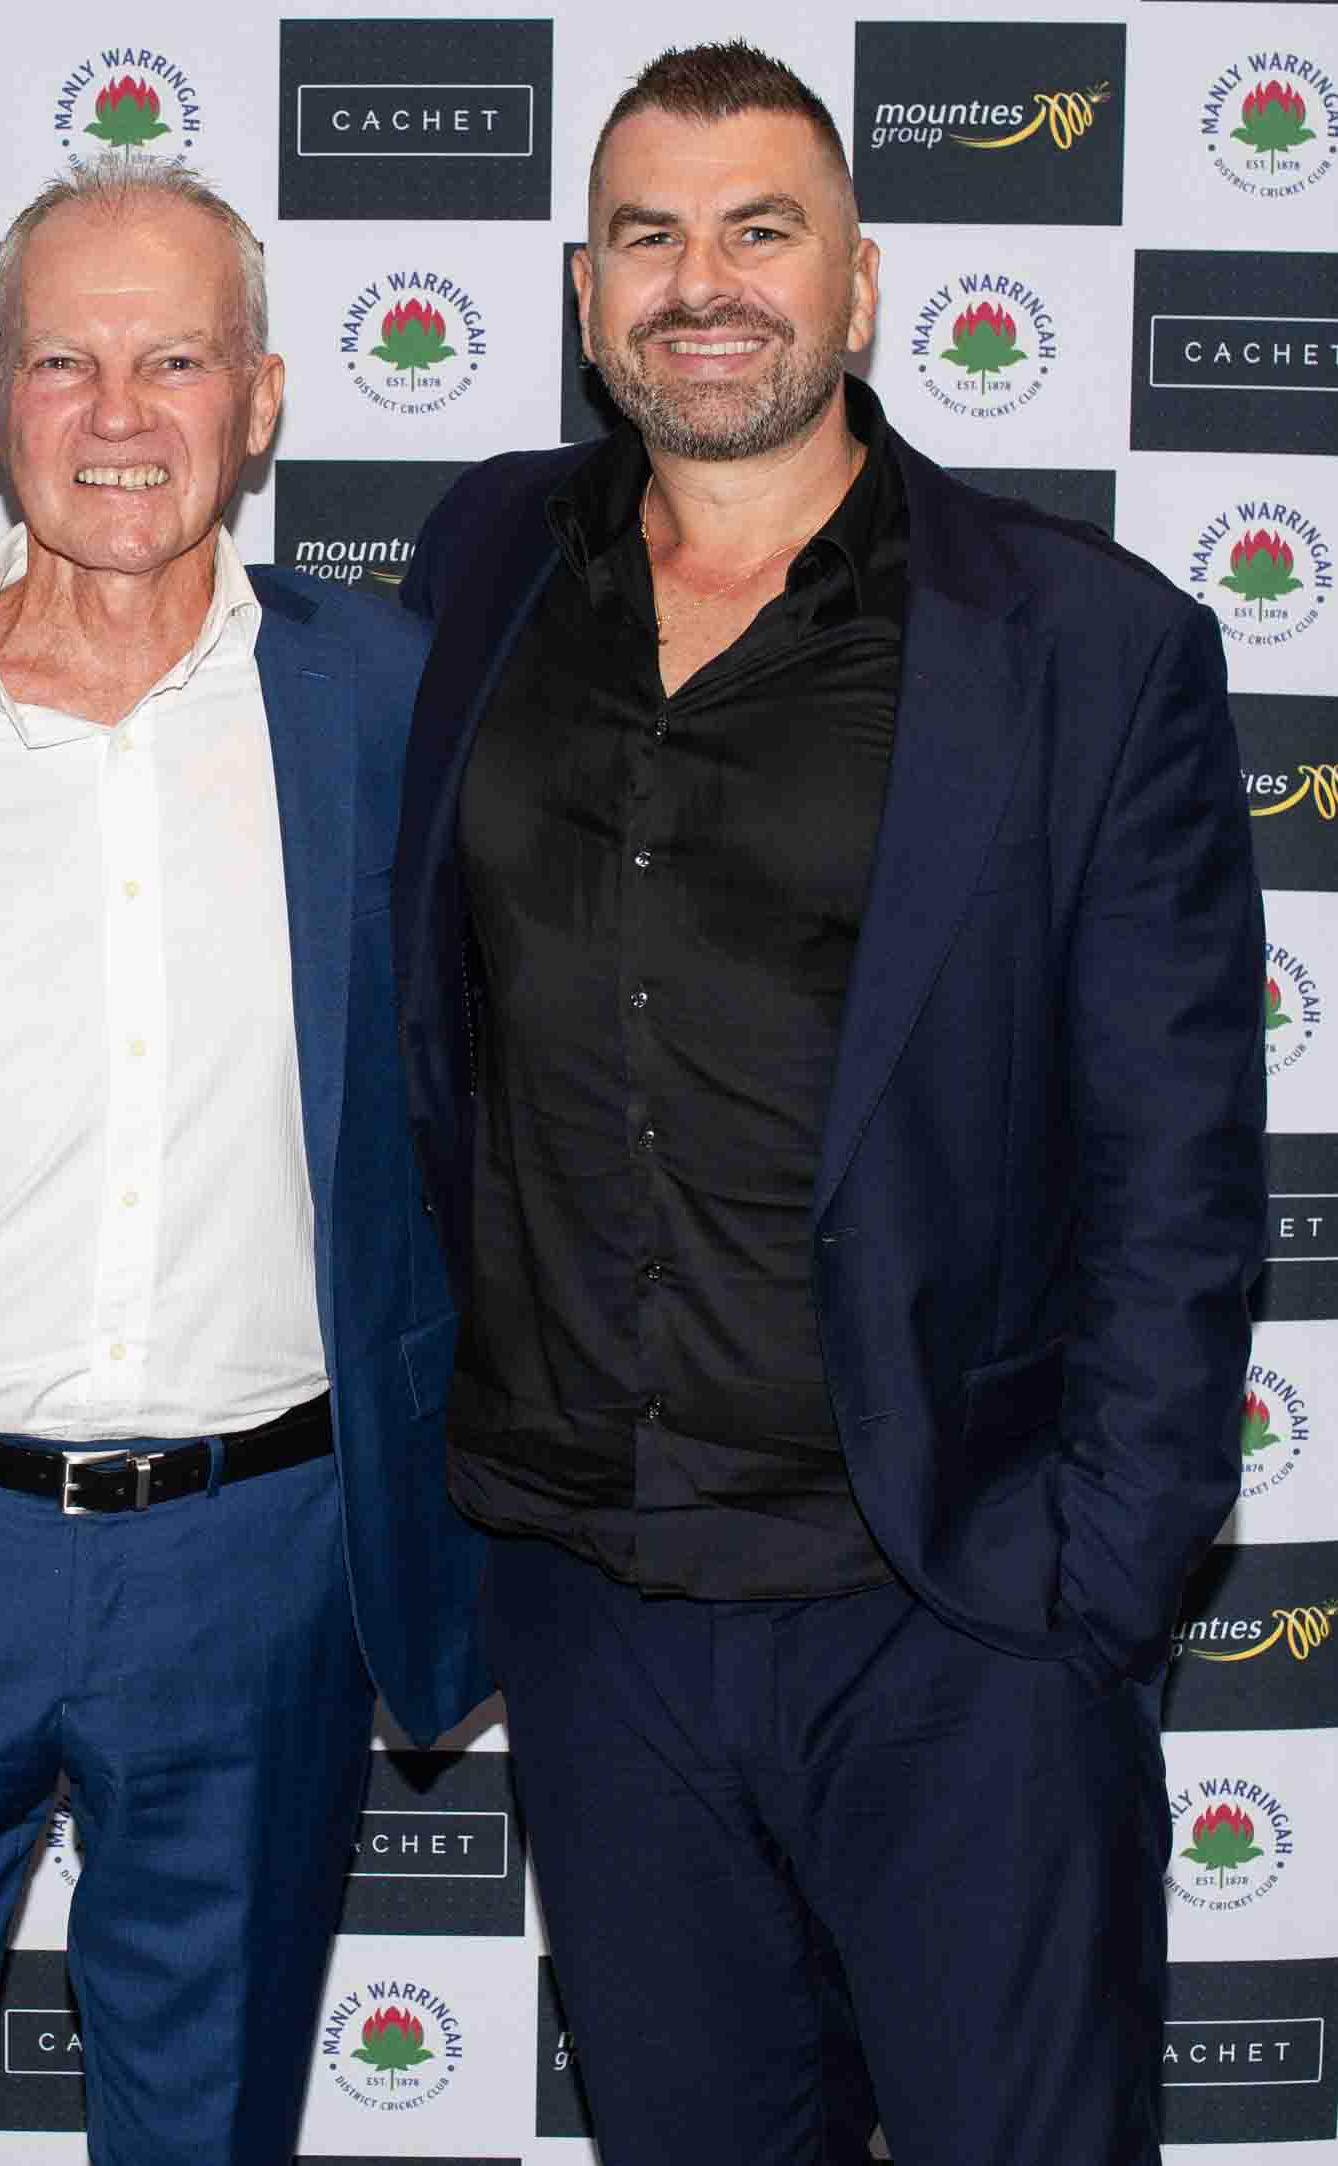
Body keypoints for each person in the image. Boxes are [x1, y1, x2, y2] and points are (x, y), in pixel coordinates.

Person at [392, 42, 1265, 2165]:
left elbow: (1178, 1167)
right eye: (649, 237)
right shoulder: (480, 561)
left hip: (950, 1614)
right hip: (591, 1608)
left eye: (759, 231)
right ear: (585, 293)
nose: (703, 283)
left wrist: (1083, 1596)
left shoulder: (1080, 645)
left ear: (857, 286)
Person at [0, 156, 485, 2163]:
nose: (118, 413)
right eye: (63, 360)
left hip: (259, 1559)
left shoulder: (403, 708)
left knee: (207, 2129)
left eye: (175, 359)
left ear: (262, 398)